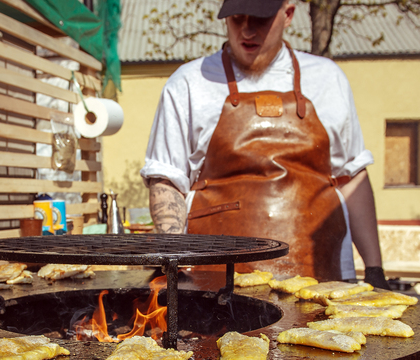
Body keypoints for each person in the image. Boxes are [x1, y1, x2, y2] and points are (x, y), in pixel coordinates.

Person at [140, 0, 389, 288]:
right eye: (236, 18)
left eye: (260, 19)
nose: (246, 30)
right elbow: (166, 180)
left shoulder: (328, 78)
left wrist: (374, 269)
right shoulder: (188, 83)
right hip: (214, 284)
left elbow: (352, 177)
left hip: (321, 279)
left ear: (288, 15)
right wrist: (173, 262)